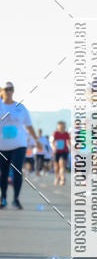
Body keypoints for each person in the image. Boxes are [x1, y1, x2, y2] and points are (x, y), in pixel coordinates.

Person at [0, 81, 42, 209]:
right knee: (4, 172)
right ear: (2, 91)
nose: (8, 92)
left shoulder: (20, 107)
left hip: (19, 144)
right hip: (2, 146)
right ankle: (3, 198)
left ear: (13, 91)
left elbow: (28, 126)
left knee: (17, 170)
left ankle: (16, 199)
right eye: (6, 89)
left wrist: (36, 140)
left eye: (11, 89)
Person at [51, 120, 71, 186]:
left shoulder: (66, 134)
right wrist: (53, 147)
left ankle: (62, 178)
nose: (62, 128)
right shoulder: (55, 133)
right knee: (56, 166)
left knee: (62, 165)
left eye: (63, 126)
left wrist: (71, 148)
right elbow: (52, 142)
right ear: (58, 127)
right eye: (60, 126)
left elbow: (68, 142)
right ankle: (57, 177)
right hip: (57, 151)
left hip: (64, 151)